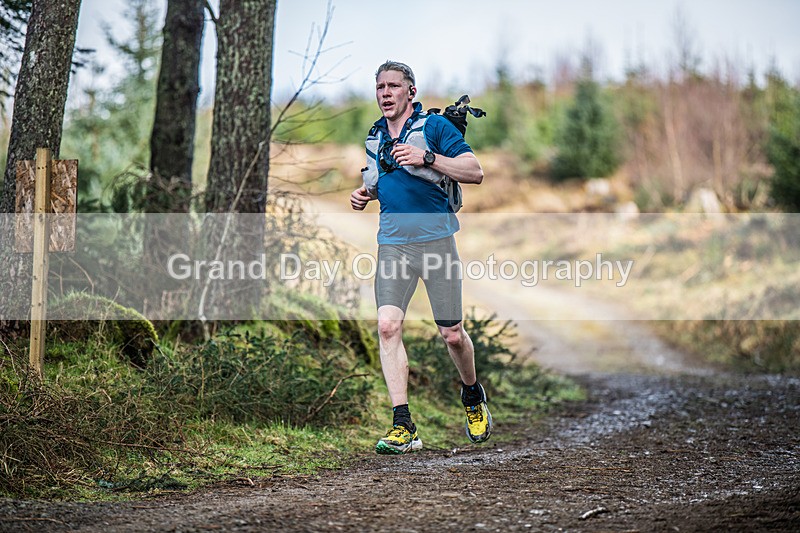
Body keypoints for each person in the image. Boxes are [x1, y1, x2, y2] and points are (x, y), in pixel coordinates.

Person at [350, 60, 492, 455]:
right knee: (387, 327)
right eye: (380, 87)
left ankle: (472, 394)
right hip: (393, 244)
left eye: (394, 86)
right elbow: (383, 182)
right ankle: (403, 424)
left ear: (411, 92)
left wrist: (427, 158)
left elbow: (475, 171)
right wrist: (365, 195)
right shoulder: (375, 136)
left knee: (451, 333)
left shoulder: (435, 128)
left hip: (436, 242)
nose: (385, 93)